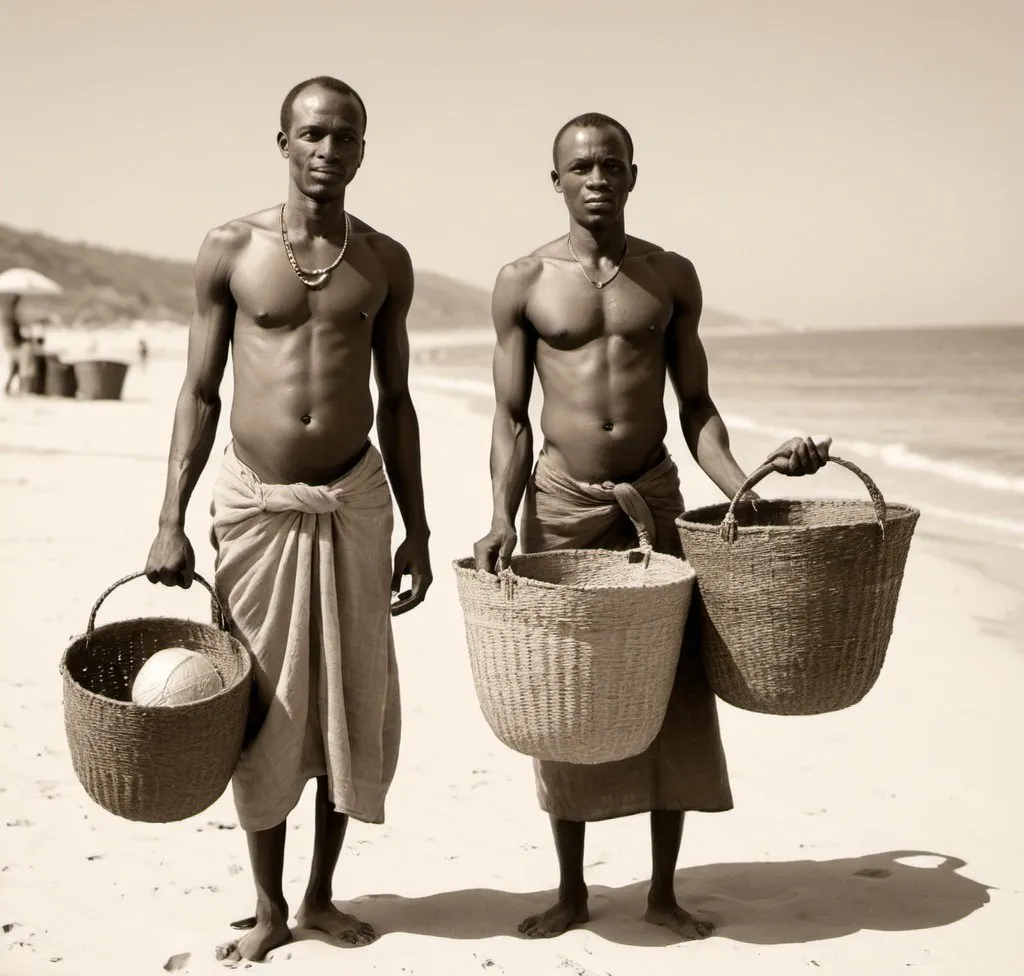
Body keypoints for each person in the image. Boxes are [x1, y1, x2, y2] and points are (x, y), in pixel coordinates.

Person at [473, 112, 830, 941]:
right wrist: (499, 513)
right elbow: (509, 416)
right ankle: (571, 889)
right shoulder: (521, 280)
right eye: (580, 167)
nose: (596, 178)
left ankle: (663, 890)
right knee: (569, 688)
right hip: (559, 503)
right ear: (555, 180)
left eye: (611, 165)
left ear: (634, 177)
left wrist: (744, 490)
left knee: (670, 686)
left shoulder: (669, 277)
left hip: (654, 499)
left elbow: (696, 407)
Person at [144, 75, 433, 964]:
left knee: (349, 694)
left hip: (355, 500)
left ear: (362, 150)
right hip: (255, 504)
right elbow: (198, 391)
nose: (328, 151)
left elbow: (399, 399)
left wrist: (420, 526)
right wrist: (168, 518)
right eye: (312, 134)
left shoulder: (384, 259)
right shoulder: (231, 247)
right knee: (262, 700)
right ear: (282, 142)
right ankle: (267, 904)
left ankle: (318, 896)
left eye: (345, 138)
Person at [2, 295, 24, 395]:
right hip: (12, 344)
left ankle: (9, 386)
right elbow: (9, 332)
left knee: (15, 366)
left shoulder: (8, 316)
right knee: (15, 365)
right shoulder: (10, 317)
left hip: (10, 343)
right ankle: (8, 387)